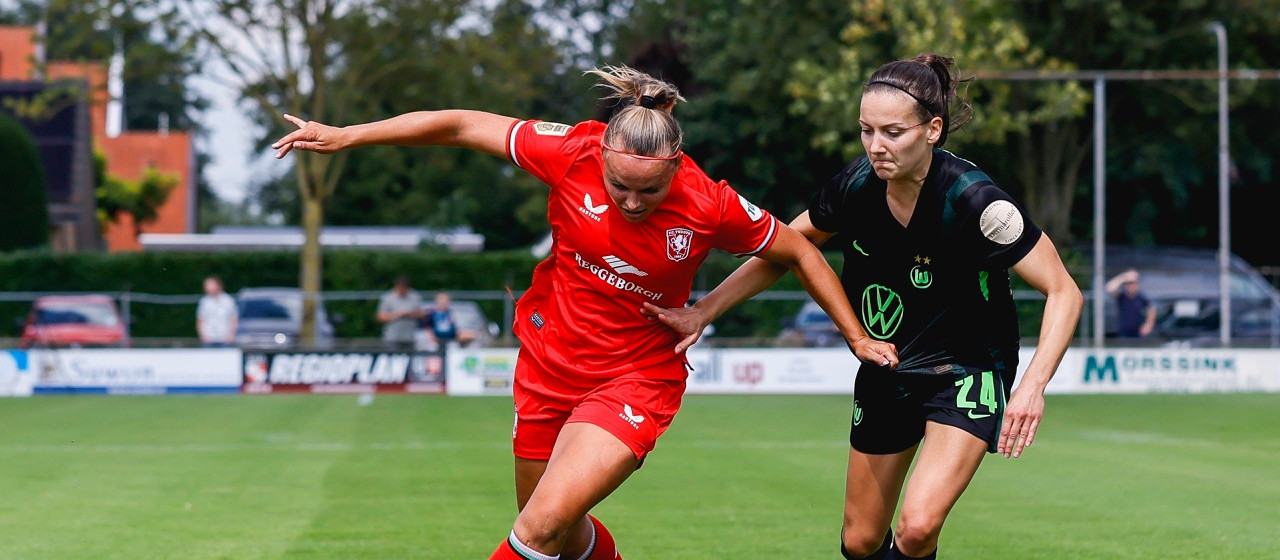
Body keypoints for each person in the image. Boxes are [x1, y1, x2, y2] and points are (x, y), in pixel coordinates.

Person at [272, 65, 896, 560]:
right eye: (619, 186)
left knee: (539, 527)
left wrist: (853, 336)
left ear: (675, 168)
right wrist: (349, 135)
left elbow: (799, 251)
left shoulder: (709, 203)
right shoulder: (570, 151)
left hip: (636, 379)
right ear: (602, 157)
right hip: (545, 366)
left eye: (648, 191)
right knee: (560, 536)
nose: (630, 201)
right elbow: (462, 124)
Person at [644, 54, 1083, 560]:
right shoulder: (855, 186)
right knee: (860, 540)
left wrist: (1031, 387)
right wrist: (704, 310)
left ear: (932, 129)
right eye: (866, 131)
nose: (877, 147)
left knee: (917, 528)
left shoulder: (977, 202)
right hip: (887, 363)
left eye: (893, 132)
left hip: (967, 370)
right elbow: (784, 248)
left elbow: (1064, 291)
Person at [377, 275, 425, 350]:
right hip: (392, 337)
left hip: (410, 337)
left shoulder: (415, 297)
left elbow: (422, 314)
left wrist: (409, 314)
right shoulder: (388, 298)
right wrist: (396, 315)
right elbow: (380, 316)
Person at [1105, 269, 1156, 338]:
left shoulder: (1141, 297)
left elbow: (1151, 308)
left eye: (1133, 283)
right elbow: (1109, 288)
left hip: (1138, 334)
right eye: (1129, 283)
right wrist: (1124, 277)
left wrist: (1149, 325)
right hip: (1124, 333)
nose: (1131, 285)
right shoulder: (1122, 296)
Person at [196, 275, 238, 347]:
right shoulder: (204, 301)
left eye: (209, 284)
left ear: (218, 285)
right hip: (208, 339)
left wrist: (231, 335)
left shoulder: (228, 301)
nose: (206, 287)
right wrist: (203, 336)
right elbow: (200, 320)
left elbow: (234, 319)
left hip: (225, 339)